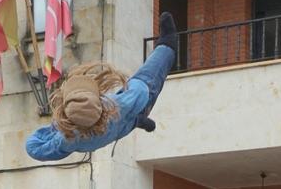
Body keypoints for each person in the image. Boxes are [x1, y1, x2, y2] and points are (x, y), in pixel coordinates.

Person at [24, 13, 177, 162]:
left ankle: (138, 121)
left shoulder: (67, 141)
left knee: (123, 111)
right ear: (101, 107)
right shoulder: (118, 105)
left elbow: (33, 148)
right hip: (138, 106)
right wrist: (55, 126)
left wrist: (59, 126)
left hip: (115, 130)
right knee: (147, 78)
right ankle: (168, 46)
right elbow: (141, 90)